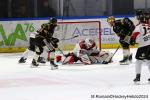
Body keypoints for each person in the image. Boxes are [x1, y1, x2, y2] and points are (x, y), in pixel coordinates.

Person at [132, 10, 150, 84]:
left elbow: (134, 36)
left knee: (138, 61)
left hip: (143, 46)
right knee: (149, 61)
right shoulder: (148, 24)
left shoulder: (138, 26)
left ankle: (138, 77)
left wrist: (131, 41)